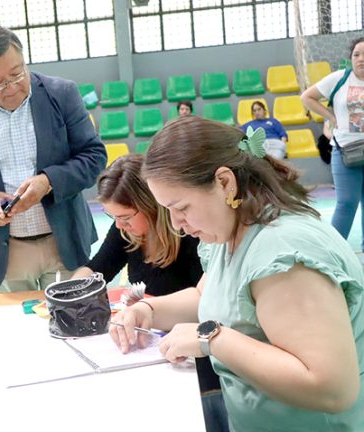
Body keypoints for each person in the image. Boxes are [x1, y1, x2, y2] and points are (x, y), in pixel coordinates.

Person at [111, 115, 364, 431]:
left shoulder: (281, 250)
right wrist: (147, 310)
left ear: (225, 183)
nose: (176, 224)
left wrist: (211, 339)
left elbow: (331, 388)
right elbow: (208, 295)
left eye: (182, 207)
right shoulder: (230, 227)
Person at [0, 25, 106, 294]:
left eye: (17, 74)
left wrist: (48, 182)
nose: (11, 87)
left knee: (74, 328)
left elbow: (94, 156)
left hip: (64, 243)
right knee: (12, 332)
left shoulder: (62, 94)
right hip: (3, 252)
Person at [72, 153, 228, 432]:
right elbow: (98, 269)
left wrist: (148, 310)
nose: (119, 225)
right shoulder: (127, 230)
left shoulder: (192, 233)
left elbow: (204, 299)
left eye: (124, 217)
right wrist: (73, 290)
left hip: (194, 360)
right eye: (112, 217)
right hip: (152, 350)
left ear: (151, 204)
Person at [301, 37, 364, 249]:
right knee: (346, 204)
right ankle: (333, 253)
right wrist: (331, 116)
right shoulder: (339, 78)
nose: (361, 59)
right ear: (350, 58)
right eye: (356, 54)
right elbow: (307, 97)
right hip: (345, 151)